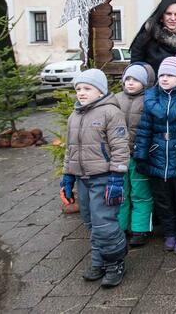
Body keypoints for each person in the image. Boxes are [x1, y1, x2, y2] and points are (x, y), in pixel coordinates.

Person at [59, 69, 129, 288]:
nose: (81, 93)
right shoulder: (75, 116)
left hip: (104, 178)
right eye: (78, 89)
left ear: (100, 91)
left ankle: (115, 263)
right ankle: (99, 261)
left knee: (104, 223)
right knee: (91, 222)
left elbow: (120, 146)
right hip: (82, 178)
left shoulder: (110, 112)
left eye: (87, 88)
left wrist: (117, 176)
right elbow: (70, 149)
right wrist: (67, 176)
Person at [134, 56, 176, 255]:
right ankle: (169, 233)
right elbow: (144, 130)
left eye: (170, 75)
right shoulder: (151, 99)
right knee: (163, 200)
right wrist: (140, 156)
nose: (165, 78)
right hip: (156, 155)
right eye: (162, 75)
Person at [116, 63, 156, 248]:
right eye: (128, 79)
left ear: (146, 82)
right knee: (120, 193)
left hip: (139, 156)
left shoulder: (149, 100)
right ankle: (120, 227)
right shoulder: (115, 100)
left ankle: (140, 229)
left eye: (136, 80)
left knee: (141, 193)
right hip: (118, 156)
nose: (131, 83)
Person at [130, 0, 176, 74]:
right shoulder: (145, 38)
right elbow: (135, 70)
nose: (173, 18)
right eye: (168, 14)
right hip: (152, 85)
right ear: (161, 16)